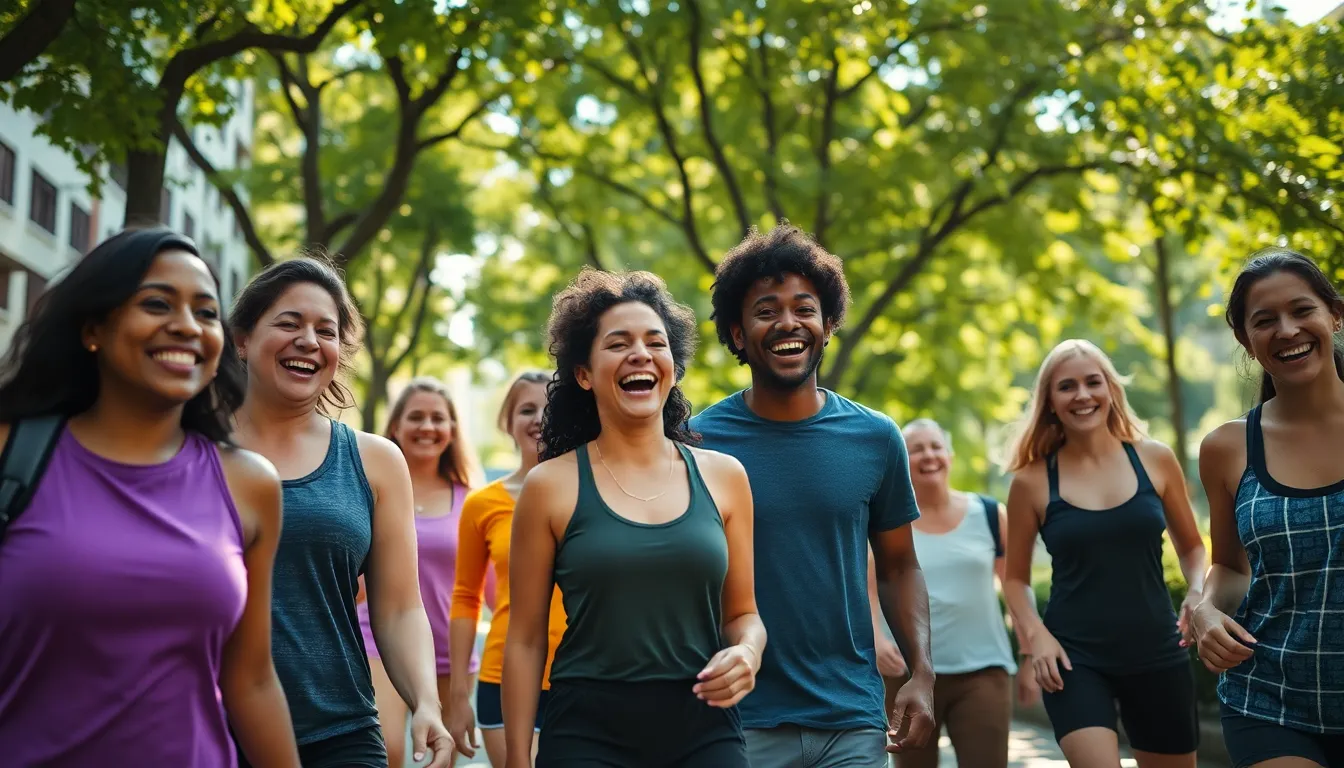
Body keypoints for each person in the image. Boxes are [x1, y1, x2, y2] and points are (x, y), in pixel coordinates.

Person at [0, 228, 300, 766]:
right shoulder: (10, 453)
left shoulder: (250, 484)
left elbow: (252, 680)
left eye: (207, 313)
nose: (186, 326)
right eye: (157, 304)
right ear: (94, 328)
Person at [691, 222, 936, 766]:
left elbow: (899, 567)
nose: (788, 322)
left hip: (851, 717)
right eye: (766, 310)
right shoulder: (698, 444)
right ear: (736, 333)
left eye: (804, 308)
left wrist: (922, 673)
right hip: (740, 719)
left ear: (827, 326)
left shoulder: (876, 438)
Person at [503, 268, 765, 768]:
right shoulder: (549, 485)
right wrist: (517, 759)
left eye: (655, 342)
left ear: (672, 365)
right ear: (584, 374)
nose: (640, 354)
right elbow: (526, 637)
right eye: (618, 343)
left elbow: (743, 614)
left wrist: (747, 653)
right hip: (586, 729)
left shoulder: (726, 476)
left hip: (705, 722)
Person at [229, 255, 454, 768]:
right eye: (288, 323)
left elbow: (398, 607)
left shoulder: (375, 460)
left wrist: (426, 702)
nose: (309, 340)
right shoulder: (194, 448)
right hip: (209, 732)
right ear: (242, 338)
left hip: (340, 733)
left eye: (325, 331)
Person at [1002, 338, 1207, 767]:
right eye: (1067, 386)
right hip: (1074, 659)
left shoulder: (1155, 458)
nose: (1082, 395)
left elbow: (1192, 547)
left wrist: (1197, 591)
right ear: (1050, 402)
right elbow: (1015, 578)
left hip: (1157, 650)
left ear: (1111, 390)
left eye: (1093, 382)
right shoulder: (1032, 481)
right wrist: (1035, 637)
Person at [1191, 248, 1344, 768]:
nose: (1287, 330)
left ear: (1334, 315)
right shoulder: (1227, 448)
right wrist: (1206, 610)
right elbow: (1230, 566)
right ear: (1246, 341)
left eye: (1302, 311)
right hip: (1269, 701)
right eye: (1265, 320)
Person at [893, 418, 1038, 768]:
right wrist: (878, 642)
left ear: (950, 455)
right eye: (916, 449)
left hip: (983, 671)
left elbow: (1017, 586)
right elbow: (867, 589)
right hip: (908, 675)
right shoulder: (888, 522)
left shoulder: (989, 515)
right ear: (900, 460)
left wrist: (1029, 657)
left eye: (935, 446)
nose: (928, 456)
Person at [356, 377, 484, 768]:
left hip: (451, 651)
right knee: (388, 749)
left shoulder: (471, 499)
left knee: (440, 759)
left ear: (452, 430)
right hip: (381, 640)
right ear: (395, 426)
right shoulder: (370, 489)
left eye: (437, 418)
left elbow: (490, 590)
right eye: (416, 417)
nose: (427, 427)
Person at [447, 370, 568, 767]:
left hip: (583, 677)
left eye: (548, 407)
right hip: (504, 677)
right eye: (526, 409)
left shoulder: (592, 489)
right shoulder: (482, 505)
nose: (537, 418)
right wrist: (457, 694)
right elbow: (465, 598)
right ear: (508, 422)